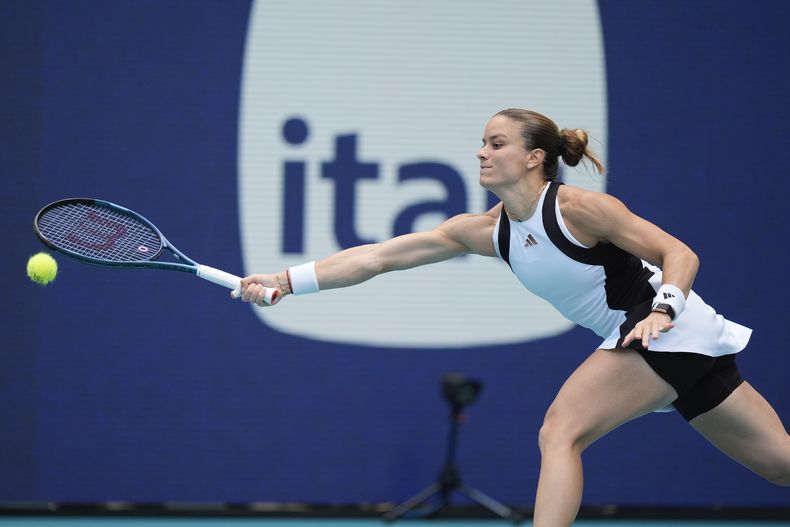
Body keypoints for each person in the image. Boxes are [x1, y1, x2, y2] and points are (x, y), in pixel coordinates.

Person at [237, 108, 790, 526]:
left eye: (496, 143)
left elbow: (681, 255)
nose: (481, 152)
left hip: (663, 327)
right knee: (779, 466)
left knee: (560, 432)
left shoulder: (581, 209)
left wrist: (665, 311)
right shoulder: (487, 231)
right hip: (668, 341)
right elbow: (378, 257)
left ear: (534, 157)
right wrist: (287, 281)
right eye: (481, 142)